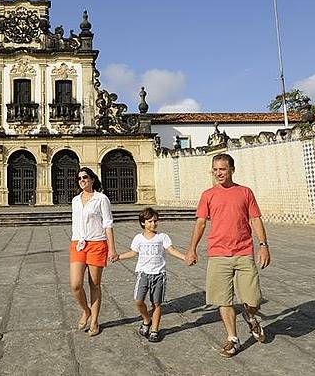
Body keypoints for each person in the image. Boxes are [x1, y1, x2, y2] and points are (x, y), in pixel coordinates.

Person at [185, 153, 271, 357]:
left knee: (253, 299)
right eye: (215, 169)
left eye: (222, 169)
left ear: (232, 169)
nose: (218, 173)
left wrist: (264, 245)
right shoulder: (208, 195)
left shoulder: (245, 192)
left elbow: (256, 219)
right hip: (218, 254)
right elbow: (200, 223)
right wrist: (192, 248)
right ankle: (232, 338)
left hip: (243, 252)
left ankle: (250, 317)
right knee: (224, 299)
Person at [116, 207, 186, 342]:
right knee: (138, 300)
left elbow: (171, 250)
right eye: (150, 221)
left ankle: (154, 330)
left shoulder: (162, 237)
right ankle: (146, 319)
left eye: (155, 221)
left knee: (157, 303)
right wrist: (118, 257)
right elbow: (133, 252)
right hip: (143, 274)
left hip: (159, 274)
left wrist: (185, 257)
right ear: (143, 223)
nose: (153, 224)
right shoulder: (138, 238)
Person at [69, 167, 118, 337]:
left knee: (94, 284)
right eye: (79, 178)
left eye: (85, 177)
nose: (82, 180)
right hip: (78, 243)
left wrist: (112, 248)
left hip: (97, 243)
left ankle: (95, 320)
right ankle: (86, 310)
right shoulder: (75, 200)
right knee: (75, 284)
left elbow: (108, 224)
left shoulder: (101, 199)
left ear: (92, 179)